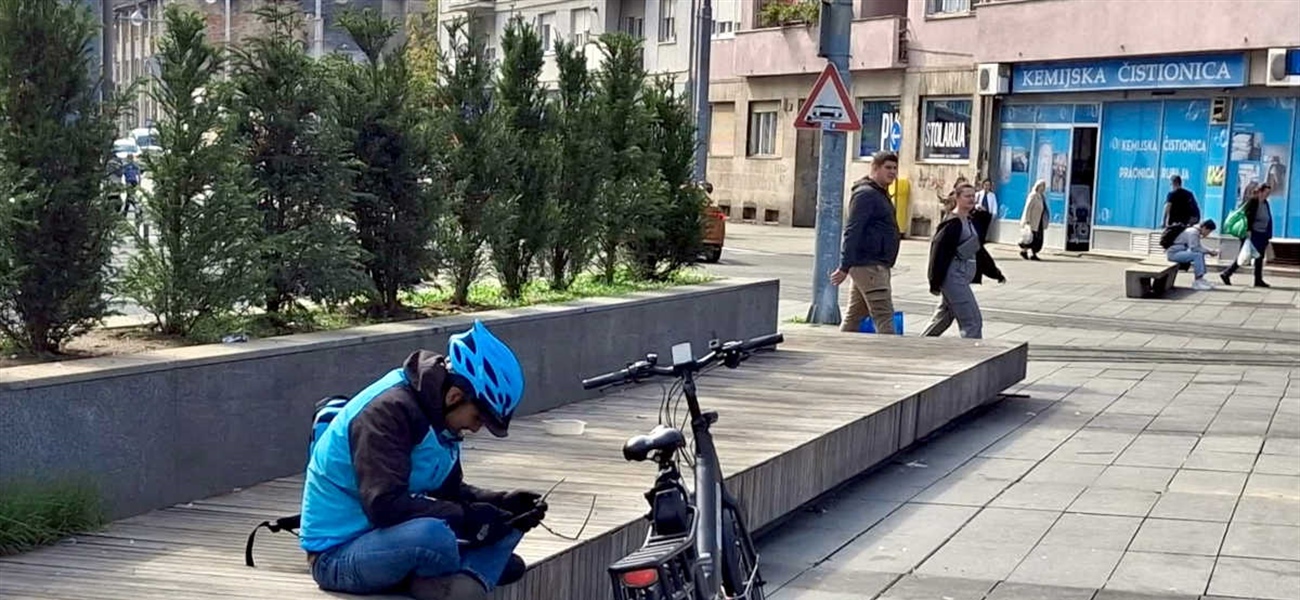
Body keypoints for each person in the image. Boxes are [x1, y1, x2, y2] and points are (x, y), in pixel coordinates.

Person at [300, 320, 544, 600]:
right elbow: (385, 506)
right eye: (478, 418)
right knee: (433, 535)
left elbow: (448, 492)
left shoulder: (440, 417)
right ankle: (468, 572)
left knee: (512, 521)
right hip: (338, 555)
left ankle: (466, 573)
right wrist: (469, 518)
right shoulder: (388, 413)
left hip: (388, 537)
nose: (477, 429)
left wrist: (501, 502)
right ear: (455, 396)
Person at [829, 151, 901, 334]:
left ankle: (840, 347)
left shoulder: (880, 193)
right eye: (888, 168)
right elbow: (852, 231)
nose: (892, 172)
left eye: (895, 168)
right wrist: (845, 267)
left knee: (856, 314)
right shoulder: (866, 195)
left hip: (874, 263)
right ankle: (890, 353)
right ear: (875, 168)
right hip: (869, 264)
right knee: (884, 313)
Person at [922, 183, 1005, 339]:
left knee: (943, 318)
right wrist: (934, 281)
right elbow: (937, 253)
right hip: (954, 278)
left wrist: (994, 272)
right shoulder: (952, 224)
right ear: (957, 198)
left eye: (973, 196)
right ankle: (972, 354)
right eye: (967, 196)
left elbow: (978, 250)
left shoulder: (970, 221)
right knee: (972, 321)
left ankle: (918, 345)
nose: (971, 199)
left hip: (961, 277)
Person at [1221, 183, 1274, 288]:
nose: (1267, 195)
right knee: (1245, 256)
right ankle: (1226, 273)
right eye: (1266, 192)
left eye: (1269, 193)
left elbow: (1268, 218)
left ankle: (1258, 279)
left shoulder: (1265, 203)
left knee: (1259, 257)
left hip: (1262, 234)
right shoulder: (1253, 201)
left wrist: (1268, 233)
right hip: (1253, 233)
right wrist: (1248, 231)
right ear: (1260, 191)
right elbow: (1247, 217)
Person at [1167, 220, 1219, 291]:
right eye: (1208, 231)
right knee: (1197, 255)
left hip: (1179, 251)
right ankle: (1197, 281)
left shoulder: (1194, 231)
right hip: (1174, 253)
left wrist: (1209, 251)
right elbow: (1194, 248)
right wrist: (1209, 252)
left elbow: (1197, 246)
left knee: (1199, 254)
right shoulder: (1194, 232)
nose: (1208, 234)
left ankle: (1200, 279)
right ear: (1204, 228)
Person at [1019, 179, 1048, 260]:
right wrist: (1026, 220)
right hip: (1032, 221)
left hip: (1039, 221)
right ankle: (1028, 252)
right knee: (1030, 238)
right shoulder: (1033, 195)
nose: (1043, 188)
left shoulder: (1042, 197)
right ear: (1038, 186)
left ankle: (1028, 253)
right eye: (1042, 186)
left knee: (1035, 238)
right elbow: (1027, 208)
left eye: (1044, 186)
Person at [972, 179, 999, 244]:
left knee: (984, 229)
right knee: (978, 228)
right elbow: (974, 203)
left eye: (988, 185)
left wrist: (993, 214)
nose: (987, 186)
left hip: (987, 214)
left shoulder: (992, 195)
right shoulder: (978, 194)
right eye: (985, 185)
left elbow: (994, 205)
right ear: (983, 185)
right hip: (979, 214)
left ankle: (982, 241)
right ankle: (977, 241)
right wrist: (978, 206)